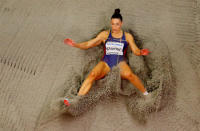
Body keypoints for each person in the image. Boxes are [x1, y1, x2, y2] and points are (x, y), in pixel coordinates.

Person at [64, 8, 151, 106]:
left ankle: (146, 94)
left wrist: (141, 52)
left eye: (117, 24)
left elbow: (135, 50)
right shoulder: (104, 35)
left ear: (121, 24)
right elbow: (88, 44)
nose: (114, 27)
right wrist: (76, 45)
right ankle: (76, 100)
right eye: (113, 24)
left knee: (130, 75)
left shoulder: (127, 36)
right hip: (106, 63)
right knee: (92, 74)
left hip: (120, 63)